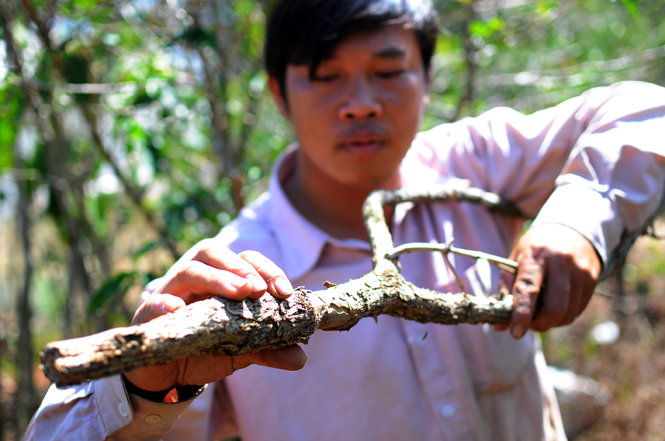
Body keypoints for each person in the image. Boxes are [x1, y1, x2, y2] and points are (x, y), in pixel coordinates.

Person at [26, 0, 665, 440]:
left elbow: (646, 109)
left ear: (424, 74)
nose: (360, 105)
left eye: (388, 72)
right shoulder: (236, 275)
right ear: (279, 93)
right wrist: (145, 387)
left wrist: (578, 219)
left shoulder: (475, 165)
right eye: (326, 77)